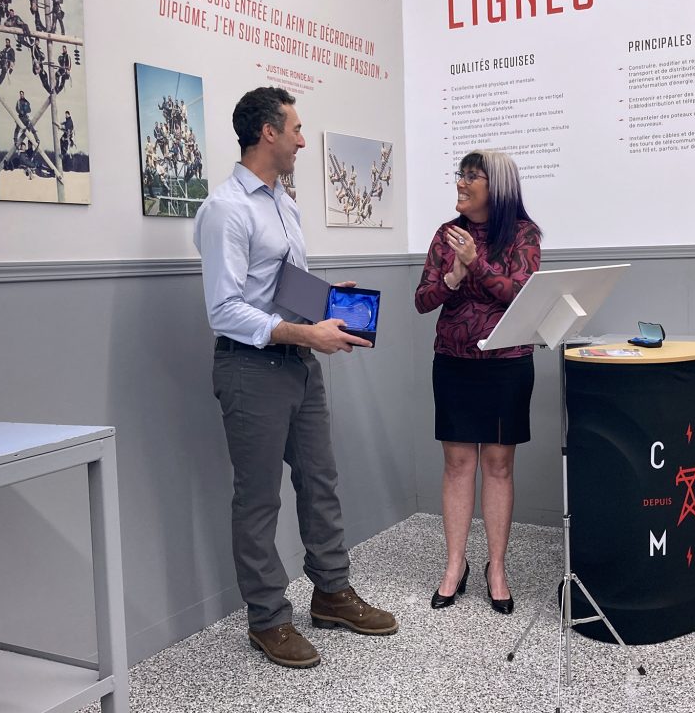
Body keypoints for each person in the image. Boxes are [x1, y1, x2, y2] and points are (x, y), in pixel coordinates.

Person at [193, 86, 397, 669]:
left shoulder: (285, 203)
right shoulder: (226, 209)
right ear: (268, 133)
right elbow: (225, 309)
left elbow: (282, 286)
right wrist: (308, 334)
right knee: (258, 500)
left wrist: (331, 305)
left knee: (321, 482)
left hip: (297, 367)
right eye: (297, 129)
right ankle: (268, 620)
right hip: (248, 368)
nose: (304, 140)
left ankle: (331, 594)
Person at [414, 149, 542, 615]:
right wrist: (452, 275)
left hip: (506, 361)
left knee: (498, 464)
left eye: (473, 176)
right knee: (456, 464)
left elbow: (521, 293)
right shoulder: (446, 235)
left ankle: (497, 568)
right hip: (453, 361)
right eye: (461, 174)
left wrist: (479, 263)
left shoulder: (524, 235)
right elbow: (422, 300)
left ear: (497, 186)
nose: (462, 183)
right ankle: (455, 565)